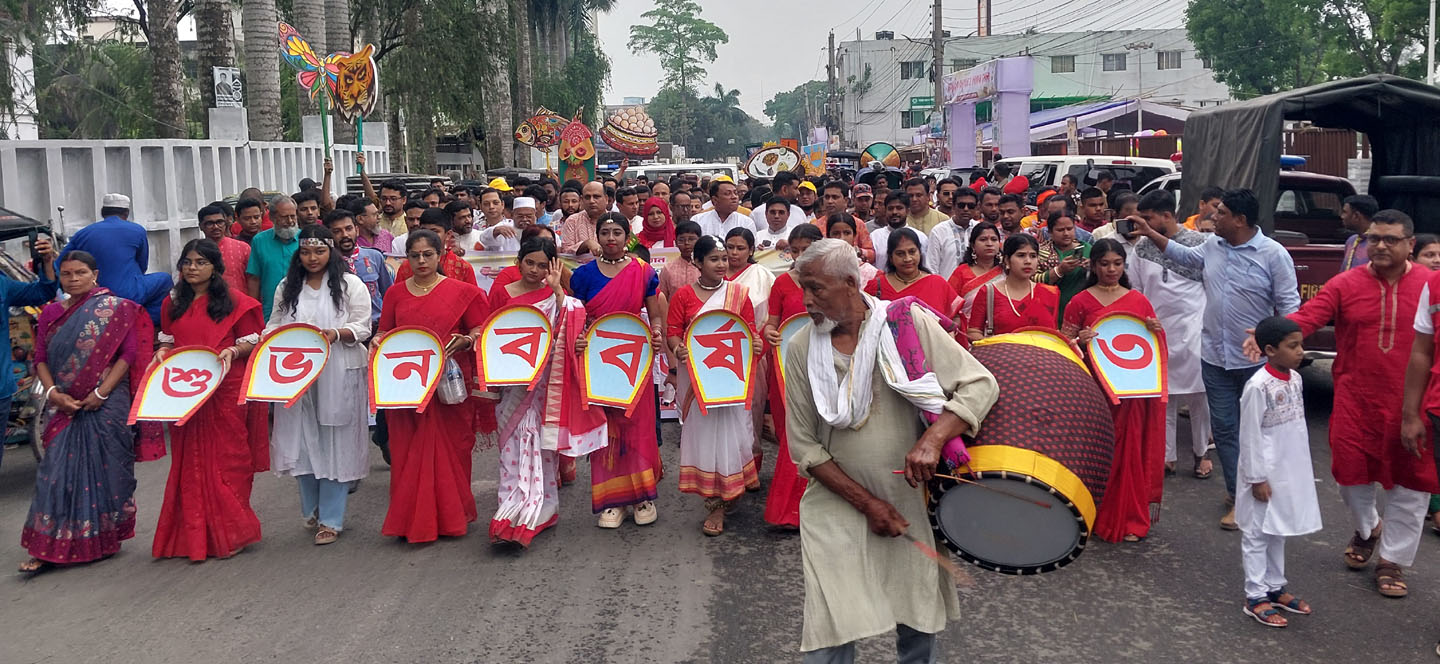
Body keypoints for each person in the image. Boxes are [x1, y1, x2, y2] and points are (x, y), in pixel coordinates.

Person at [783, 238, 999, 662]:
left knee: (915, 615)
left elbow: (979, 385)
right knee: (831, 619)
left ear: (849, 282)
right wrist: (867, 504)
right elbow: (805, 446)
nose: (806, 299)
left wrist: (933, 440)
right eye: (802, 287)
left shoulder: (905, 324)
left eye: (816, 288)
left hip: (908, 501)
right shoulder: (801, 347)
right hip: (836, 505)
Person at [1254, 209, 1425, 596]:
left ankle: (1392, 561)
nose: (1380, 245)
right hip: (1356, 397)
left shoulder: (1432, 285)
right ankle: (1369, 528)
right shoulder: (1346, 283)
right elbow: (1308, 317)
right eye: (1373, 239)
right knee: (1350, 476)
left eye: (1390, 239)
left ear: (1410, 245)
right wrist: (1272, 335)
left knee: (1411, 485)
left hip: (1413, 403)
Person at [1132, 188, 1300, 530]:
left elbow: (1290, 307)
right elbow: (1183, 256)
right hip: (1214, 358)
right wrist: (1150, 234)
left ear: (1239, 220)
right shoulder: (1212, 246)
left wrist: (1276, 345)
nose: (1212, 218)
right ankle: (1239, 496)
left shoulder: (1273, 255)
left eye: (1220, 213)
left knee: (1259, 431)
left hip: (1256, 362)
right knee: (1224, 429)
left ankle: (1259, 487)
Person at [19, 251, 155, 573]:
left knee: (107, 471)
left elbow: (129, 353)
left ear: (95, 275)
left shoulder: (115, 309)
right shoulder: (51, 313)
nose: (74, 279)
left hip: (107, 401)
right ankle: (44, 549)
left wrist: (101, 391)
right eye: (67, 274)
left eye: (81, 272)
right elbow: (40, 358)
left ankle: (101, 540)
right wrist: (53, 394)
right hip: (63, 403)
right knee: (53, 474)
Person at [487, 238, 607, 547]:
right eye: (530, 263)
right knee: (512, 444)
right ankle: (509, 507)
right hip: (512, 383)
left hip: (546, 383)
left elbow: (571, 327)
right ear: (518, 263)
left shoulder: (557, 297)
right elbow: (490, 333)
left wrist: (555, 288)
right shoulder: (503, 293)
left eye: (544, 265)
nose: (536, 270)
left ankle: (543, 508)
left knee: (541, 443)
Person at [152, 239, 265, 561]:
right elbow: (167, 340)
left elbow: (251, 341)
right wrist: (162, 353)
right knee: (189, 461)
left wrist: (232, 350)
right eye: (187, 262)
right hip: (185, 392)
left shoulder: (235, 301)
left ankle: (233, 532)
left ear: (215, 267)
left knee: (229, 458)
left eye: (200, 262)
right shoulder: (173, 301)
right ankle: (192, 536)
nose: (192, 268)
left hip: (226, 388)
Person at [377, 230, 491, 543]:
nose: (422, 261)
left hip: (449, 384)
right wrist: (378, 341)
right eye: (415, 256)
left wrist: (466, 341)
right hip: (406, 385)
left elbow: (481, 330)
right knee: (407, 450)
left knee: (452, 447)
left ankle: (452, 516)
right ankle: (413, 520)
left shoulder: (461, 291)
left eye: (428, 254)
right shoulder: (396, 294)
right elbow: (384, 330)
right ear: (407, 259)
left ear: (440, 255)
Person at [263, 225, 371, 546]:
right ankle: (311, 508)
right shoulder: (288, 286)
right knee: (302, 440)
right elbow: (274, 323)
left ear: (331, 252)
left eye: (319, 251)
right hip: (296, 372)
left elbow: (362, 326)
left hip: (339, 369)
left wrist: (335, 334)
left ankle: (332, 519)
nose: (312, 258)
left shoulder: (350, 284)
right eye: (306, 252)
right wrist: (269, 339)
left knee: (336, 439)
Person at [1063, 238, 1167, 542]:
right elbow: (1064, 344)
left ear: (1125, 265)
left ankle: (1130, 518)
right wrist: (1079, 340)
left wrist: (1157, 333)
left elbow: (1153, 350)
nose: (1111, 269)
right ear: (1093, 266)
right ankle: (1090, 512)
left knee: (1130, 453)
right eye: (1105, 264)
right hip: (1094, 391)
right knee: (1096, 452)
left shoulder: (1138, 301)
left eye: (1117, 263)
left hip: (1130, 393)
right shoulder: (1080, 301)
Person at [568, 212, 665, 529]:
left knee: (636, 425)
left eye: (617, 233)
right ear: (597, 236)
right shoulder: (583, 276)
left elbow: (655, 315)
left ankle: (642, 497)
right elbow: (575, 319)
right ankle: (613, 502)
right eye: (605, 233)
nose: (611, 239)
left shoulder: (644, 272)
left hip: (634, 356)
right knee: (606, 427)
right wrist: (578, 339)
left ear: (627, 237)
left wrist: (657, 332)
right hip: (598, 359)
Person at [667, 235, 762, 536]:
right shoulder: (683, 296)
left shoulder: (738, 294)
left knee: (732, 433)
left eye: (724, 259)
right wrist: (678, 347)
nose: (722, 264)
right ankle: (715, 503)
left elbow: (747, 332)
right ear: (698, 262)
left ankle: (731, 484)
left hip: (730, 376)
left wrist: (756, 342)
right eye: (714, 259)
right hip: (698, 378)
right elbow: (673, 331)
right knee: (706, 436)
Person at [1237, 315, 1320, 628]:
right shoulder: (1258, 386)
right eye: (1293, 346)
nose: (1300, 351)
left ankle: (1275, 586)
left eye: (1301, 345)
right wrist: (1256, 477)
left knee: (1278, 529)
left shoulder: (1295, 380)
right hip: (1264, 473)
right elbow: (1250, 435)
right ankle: (1255, 595)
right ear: (1270, 350)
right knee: (1257, 533)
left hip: (1289, 469)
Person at [1126, 190, 1212, 478]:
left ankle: (1201, 455)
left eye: (1148, 219)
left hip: (1195, 333)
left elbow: (1212, 289)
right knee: (1164, 398)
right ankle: (1167, 456)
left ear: (1166, 216)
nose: (1142, 225)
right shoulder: (1141, 249)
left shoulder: (1200, 244)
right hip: (1156, 333)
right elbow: (1136, 291)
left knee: (1200, 398)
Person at [760, 224, 824, 529]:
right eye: (794, 250)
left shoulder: (833, 281)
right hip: (786, 369)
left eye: (806, 250)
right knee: (792, 438)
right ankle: (788, 512)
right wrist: (771, 333)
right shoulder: (782, 283)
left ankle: (816, 506)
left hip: (824, 367)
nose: (799, 256)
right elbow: (772, 324)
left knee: (819, 435)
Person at [59, 193, 173, 323]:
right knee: (164, 279)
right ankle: (149, 322)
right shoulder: (137, 230)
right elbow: (142, 264)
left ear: (103, 212)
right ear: (126, 213)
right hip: (129, 293)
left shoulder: (84, 233)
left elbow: (60, 263)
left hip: (94, 293)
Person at [968, 234, 1059, 340]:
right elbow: (973, 331)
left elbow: (1054, 334)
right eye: (1021, 255)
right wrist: (993, 346)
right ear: (1007, 260)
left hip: (1041, 355)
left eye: (1033, 256)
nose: (1028, 261)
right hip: (1001, 354)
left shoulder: (1050, 293)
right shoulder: (989, 292)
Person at [324, 208, 394, 330]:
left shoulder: (375, 257)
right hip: (343, 331)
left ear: (356, 230)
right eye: (337, 231)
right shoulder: (326, 264)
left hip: (376, 328)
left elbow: (389, 294)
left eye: (348, 229)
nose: (345, 235)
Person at [868, 227, 959, 320]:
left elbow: (956, 317)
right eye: (900, 254)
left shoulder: (937, 283)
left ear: (920, 252)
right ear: (891, 258)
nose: (907, 259)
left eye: (912, 252)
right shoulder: (877, 286)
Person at [246, 195, 301, 321]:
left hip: (301, 308)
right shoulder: (259, 241)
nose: (290, 221)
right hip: (270, 311)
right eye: (284, 217)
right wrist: (253, 311)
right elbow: (254, 278)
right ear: (272, 217)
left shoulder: (305, 239)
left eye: (293, 216)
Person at [1034, 210, 1090, 324]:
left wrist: (1092, 267)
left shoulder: (1088, 249)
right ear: (1050, 232)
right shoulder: (1041, 252)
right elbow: (1032, 280)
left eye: (1069, 229)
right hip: (1050, 308)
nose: (1066, 233)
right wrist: (1059, 271)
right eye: (1060, 230)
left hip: (1082, 308)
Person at [396, 208, 477, 286]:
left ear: (448, 234)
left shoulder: (463, 267)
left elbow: (472, 297)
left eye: (434, 231)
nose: (428, 236)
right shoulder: (408, 266)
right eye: (424, 231)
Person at [949, 221, 1004, 326]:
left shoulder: (1005, 271)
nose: (989, 244)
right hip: (967, 332)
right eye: (983, 239)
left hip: (1001, 331)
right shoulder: (961, 272)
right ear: (973, 245)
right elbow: (949, 304)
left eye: (994, 239)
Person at [926, 187, 979, 282]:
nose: (966, 209)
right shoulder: (939, 231)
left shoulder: (979, 229)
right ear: (954, 206)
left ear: (976, 208)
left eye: (970, 206)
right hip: (946, 290)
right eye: (961, 205)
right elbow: (932, 267)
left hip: (975, 290)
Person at [198, 204, 251, 295]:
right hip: (205, 304)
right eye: (210, 223)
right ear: (201, 226)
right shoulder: (195, 251)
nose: (216, 227)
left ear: (226, 223)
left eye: (220, 222)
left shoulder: (243, 248)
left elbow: (253, 279)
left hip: (239, 304)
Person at [873, 193, 927, 273]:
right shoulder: (875, 236)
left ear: (908, 211)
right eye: (890, 208)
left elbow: (925, 265)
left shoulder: (920, 237)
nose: (894, 212)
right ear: (885, 210)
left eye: (899, 208)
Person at [823, 214, 878, 285]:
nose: (842, 238)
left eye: (847, 233)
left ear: (854, 235)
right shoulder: (821, 270)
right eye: (836, 233)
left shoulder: (870, 273)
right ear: (828, 236)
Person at [558, 182, 609, 255]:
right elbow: (566, 253)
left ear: (606, 199)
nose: (591, 201)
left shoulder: (617, 220)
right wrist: (585, 245)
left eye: (596, 197)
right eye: (587, 197)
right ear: (581, 200)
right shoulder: (572, 221)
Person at [659, 221, 703, 301]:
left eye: (691, 239)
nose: (686, 243)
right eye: (681, 240)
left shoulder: (705, 267)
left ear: (699, 241)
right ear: (676, 242)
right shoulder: (668, 268)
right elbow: (662, 298)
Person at [1341, 194, 1379, 270]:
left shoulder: (1378, 244)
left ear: (1356, 216)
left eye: (1345, 212)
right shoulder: (1351, 241)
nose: (1342, 216)